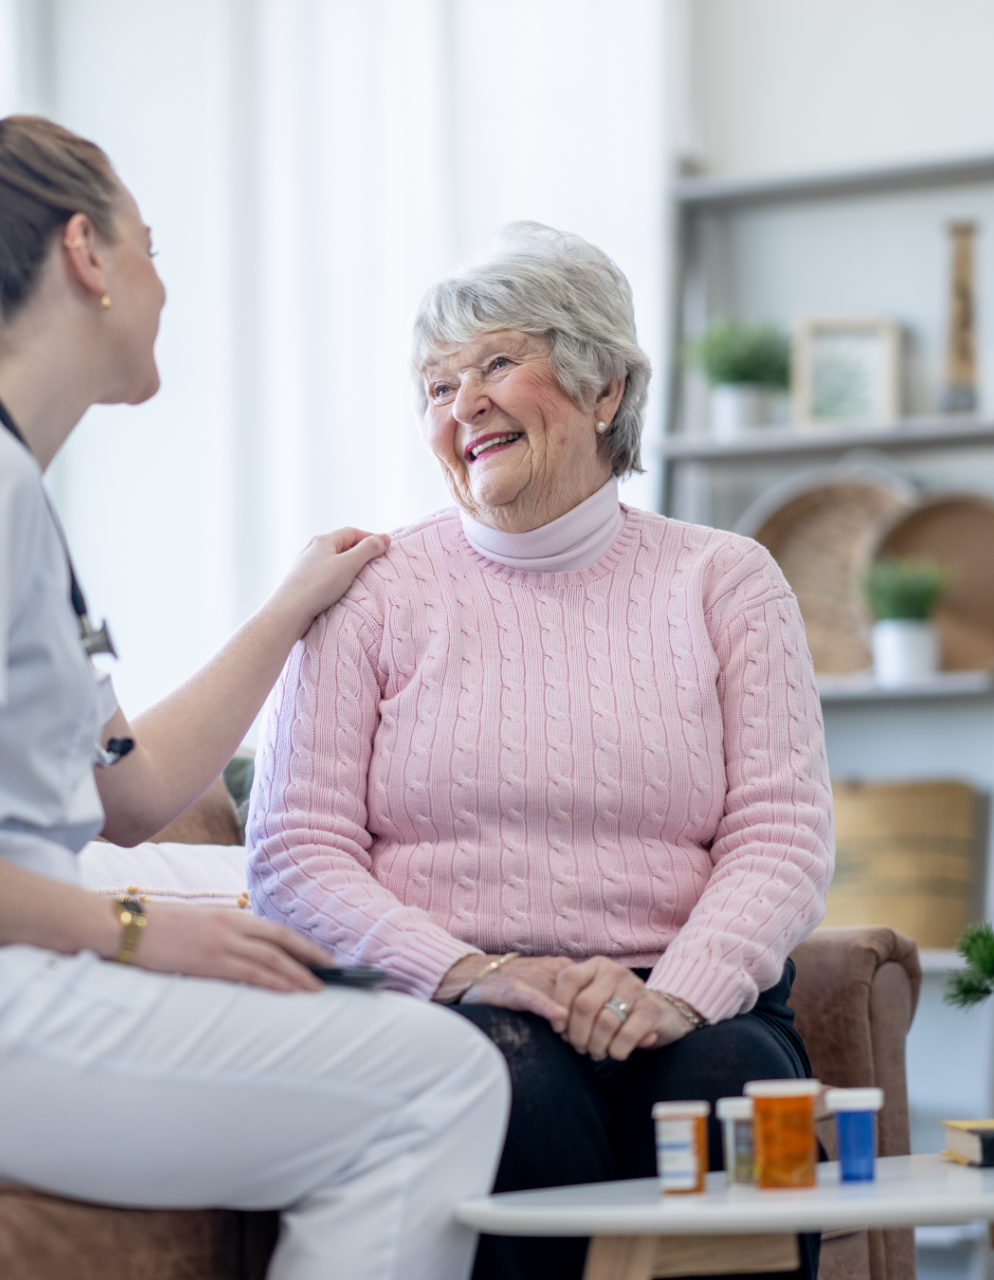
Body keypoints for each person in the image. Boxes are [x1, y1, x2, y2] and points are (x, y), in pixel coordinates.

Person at [0, 63, 509, 1280]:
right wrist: (128, 929)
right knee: (433, 1078)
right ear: (88, 253)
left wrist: (288, 611)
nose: (164, 284)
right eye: (152, 247)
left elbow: (128, 788)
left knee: (401, 1056)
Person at [247, 223, 835, 1280]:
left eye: (494, 364)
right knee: (513, 1082)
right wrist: (478, 971)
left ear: (604, 387)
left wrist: (678, 992)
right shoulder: (373, 591)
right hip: (455, 996)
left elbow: (782, 834)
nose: (459, 402)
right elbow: (293, 853)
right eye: (435, 384)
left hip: (685, 990)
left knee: (725, 1082)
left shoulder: (725, 579)